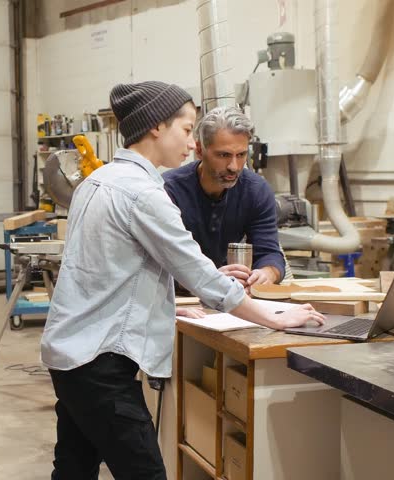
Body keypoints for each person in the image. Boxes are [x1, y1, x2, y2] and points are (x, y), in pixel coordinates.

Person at [40, 81, 324, 479]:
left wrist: (205, 277)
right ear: (157, 127)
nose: (191, 143)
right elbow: (198, 274)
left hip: (70, 354)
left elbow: (146, 266)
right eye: (187, 129)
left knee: (73, 469)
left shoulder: (98, 181)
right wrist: (274, 317)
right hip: (100, 364)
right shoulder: (143, 194)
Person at [163, 106, 285, 292]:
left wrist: (266, 273)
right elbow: (159, 264)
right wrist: (209, 279)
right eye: (223, 155)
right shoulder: (168, 191)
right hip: (179, 299)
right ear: (199, 150)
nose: (234, 167)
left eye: (241, 155)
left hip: (227, 296)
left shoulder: (256, 191)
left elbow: (269, 252)